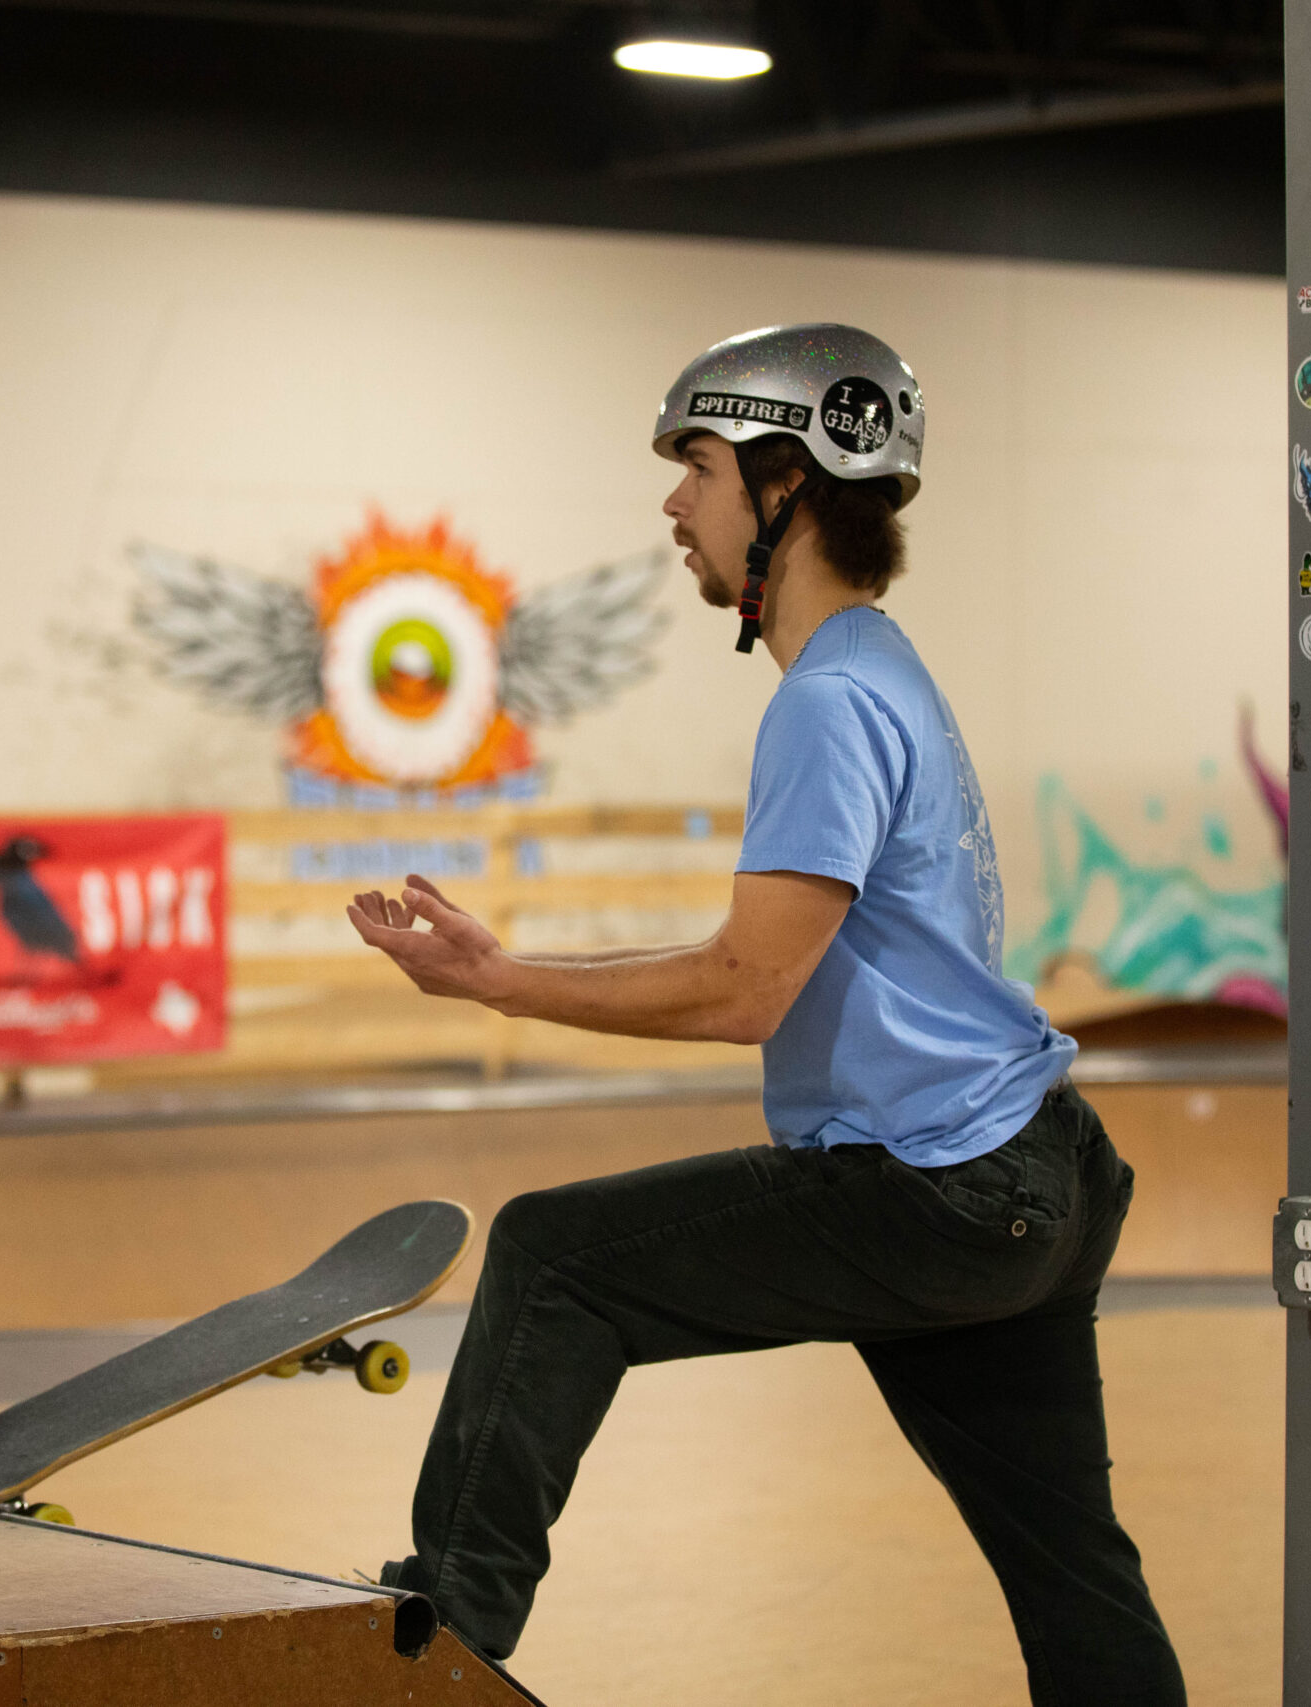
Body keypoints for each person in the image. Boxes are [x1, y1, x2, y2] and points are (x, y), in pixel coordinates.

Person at [347, 324, 1187, 1703]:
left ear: (785, 483)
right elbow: (758, 951)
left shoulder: (830, 703)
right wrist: (517, 960)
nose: (674, 501)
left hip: (941, 1190)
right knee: (1072, 1573)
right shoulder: (879, 666)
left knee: (555, 1261)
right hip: (1044, 1171)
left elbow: (749, 988)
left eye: (698, 466)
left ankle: (439, 1651)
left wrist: (498, 985)